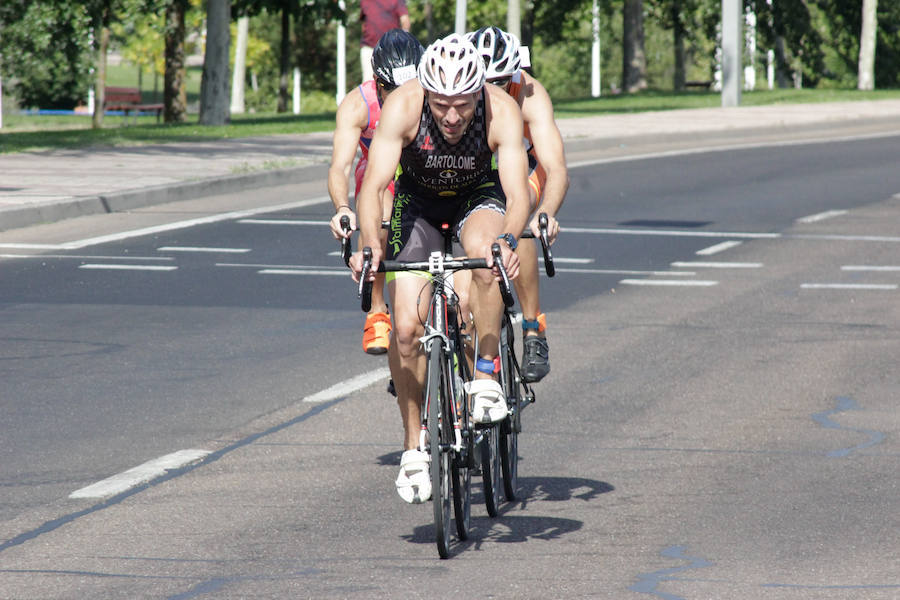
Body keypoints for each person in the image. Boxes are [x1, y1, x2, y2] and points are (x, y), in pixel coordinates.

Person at [349, 34, 531, 503]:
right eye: (442, 105)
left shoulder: (501, 110)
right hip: (419, 206)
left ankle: (485, 375)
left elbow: (517, 193)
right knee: (407, 330)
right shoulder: (404, 107)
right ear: (426, 92)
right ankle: (413, 447)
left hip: (477, 197)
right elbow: (373, 188)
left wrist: (509, 240)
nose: (452, 117)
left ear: (478, 93)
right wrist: (370, 245)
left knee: (486, 258)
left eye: (463, 105)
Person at [467, 26, 568, 383]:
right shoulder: (460, 94)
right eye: (483, 82)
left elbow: (556, 169)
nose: (490, 91)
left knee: (518, 215)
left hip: (524, 168)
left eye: (499, 82)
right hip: (478, 171)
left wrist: (546, 213)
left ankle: (533, 327)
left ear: (514, 75)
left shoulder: (530, 94)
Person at [328, 29, 424, 355]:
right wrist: (342, 208)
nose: (401, 98)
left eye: (410, 88)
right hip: (379, 174)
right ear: (377, 82)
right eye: (392, 90)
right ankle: (378, 311)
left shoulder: (433, 96)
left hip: (423, 170)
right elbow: (340, 166)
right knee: (380, 208)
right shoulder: (357, 105)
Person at [360, 0, 411, 83]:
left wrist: (403, 43)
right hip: (369, 47)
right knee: (369, 82)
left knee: (394, 82)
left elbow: (405, 21)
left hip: (390, 49)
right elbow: (364, 23)